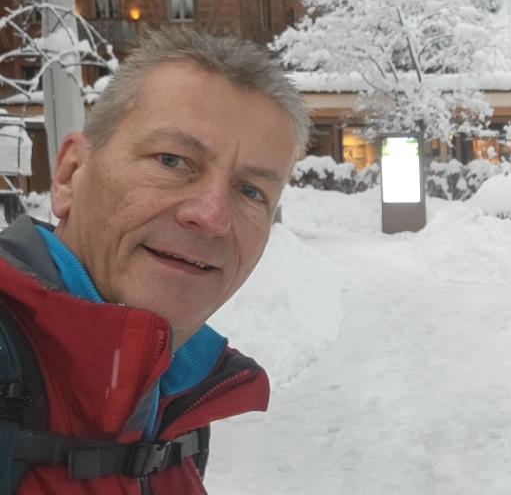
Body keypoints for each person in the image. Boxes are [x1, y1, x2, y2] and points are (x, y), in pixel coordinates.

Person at [0, 29, 310, 493]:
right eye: (172, 160)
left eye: (251, 191)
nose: (212, 218)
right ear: (69, 175)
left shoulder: (179, 397)